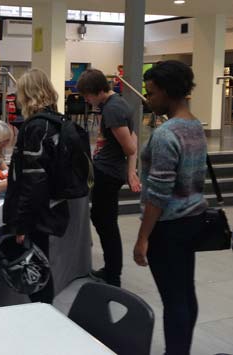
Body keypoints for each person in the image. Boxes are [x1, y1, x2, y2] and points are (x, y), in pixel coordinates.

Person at [134, 60, 207, 355]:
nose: (148, 100)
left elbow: (158, 194)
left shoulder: (166, 134)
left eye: (151, 94)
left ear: (166, 91)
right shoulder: (195, 125)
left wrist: (142, 239)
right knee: (186, 293)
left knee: (174, 298)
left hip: (169, 226)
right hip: (193, 219)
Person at [3, 68, 69, 304]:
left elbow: (32, 180)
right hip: (52, 204)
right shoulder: (57, 121)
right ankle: (44, 312)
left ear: (27, 94)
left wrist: (21, 223)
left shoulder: (35, 127)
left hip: (37, 212)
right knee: (42, 264)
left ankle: (43, 316)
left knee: (36, 270)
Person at [77, 68, 140, 287]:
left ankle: (113, 274)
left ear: (98, 91)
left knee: (106, 223)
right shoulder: (118, 104)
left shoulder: (113, 109)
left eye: (87, 95)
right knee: (104, 220)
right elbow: (134, 137)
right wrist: (130, 171)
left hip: (108, 172)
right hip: (109, 170)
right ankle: (112, 270)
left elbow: (131, 146)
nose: (86, 100)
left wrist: (130, 170)